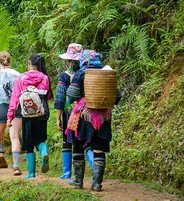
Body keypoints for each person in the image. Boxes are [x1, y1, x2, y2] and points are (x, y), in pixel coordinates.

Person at [65, 50, 121, 191]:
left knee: (78, 146)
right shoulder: (107, 74)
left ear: (84, 60)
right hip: (104, 118)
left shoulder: (81, 73)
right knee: (99, 149)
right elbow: (117, 97)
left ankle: (78, 181)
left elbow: (71, 95)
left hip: (84, 116)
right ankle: (96, 184)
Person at [7, 54, 53, 178]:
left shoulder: (21, 78)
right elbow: (46, 96)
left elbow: (15, 98)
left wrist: (10, 116)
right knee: (40, 139)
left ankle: (31, 173)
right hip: (42, 113)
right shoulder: (45, 78)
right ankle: (44, 152)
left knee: (28, 145)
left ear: (29, 63)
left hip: (26, 114)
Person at [54, 43, 88, 179]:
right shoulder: (87, 73)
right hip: (85, 111)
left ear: (68, 61)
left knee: (67, 141)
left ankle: (67, 172)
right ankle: (91, 167)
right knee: (83, 141)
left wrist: (58, 117)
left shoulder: (65, 76)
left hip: (70, 113)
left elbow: (60, 98)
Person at [0, 51, 22, 175]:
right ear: (9, 61)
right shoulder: (18, 74)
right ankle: (16, 167)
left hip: (0, 106)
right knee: (15, 137)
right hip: (16, 107)